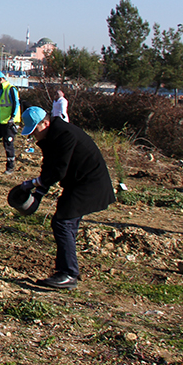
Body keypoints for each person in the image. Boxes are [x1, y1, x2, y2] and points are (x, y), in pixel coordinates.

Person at [18, 106, 115, 289]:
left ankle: (69, 273)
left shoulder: (65, 134)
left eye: (35, 130)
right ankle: (66, 270)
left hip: (90, 184)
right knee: (65, 223)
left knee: (63, 222)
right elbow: (49, 166)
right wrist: (37, 194)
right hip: (77, 183)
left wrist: (31, 184)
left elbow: (59, 170)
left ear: (45, 123)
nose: (33, 136)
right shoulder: (50, 136)